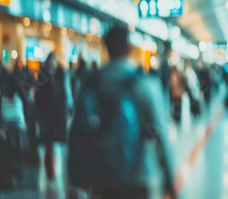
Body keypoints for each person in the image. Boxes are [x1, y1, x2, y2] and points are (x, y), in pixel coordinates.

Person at [68, 26, 175, 199]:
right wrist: (170, 181)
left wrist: (73, 180)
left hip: (101, 177)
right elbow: (161, 135)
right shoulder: (147, 84)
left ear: (106, 48)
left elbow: (76, 133)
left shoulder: (90, 85)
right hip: (138, 176)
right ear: (129, 48)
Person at [34, 52, 72, 181]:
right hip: (46, 112)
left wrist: (68, 106)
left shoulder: (61, 74)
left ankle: (60, 168)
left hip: (59, 111)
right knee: (48, 141)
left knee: (60, 140)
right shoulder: (43, 75)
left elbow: (66, 91)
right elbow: (38, 94)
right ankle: (50, 169)